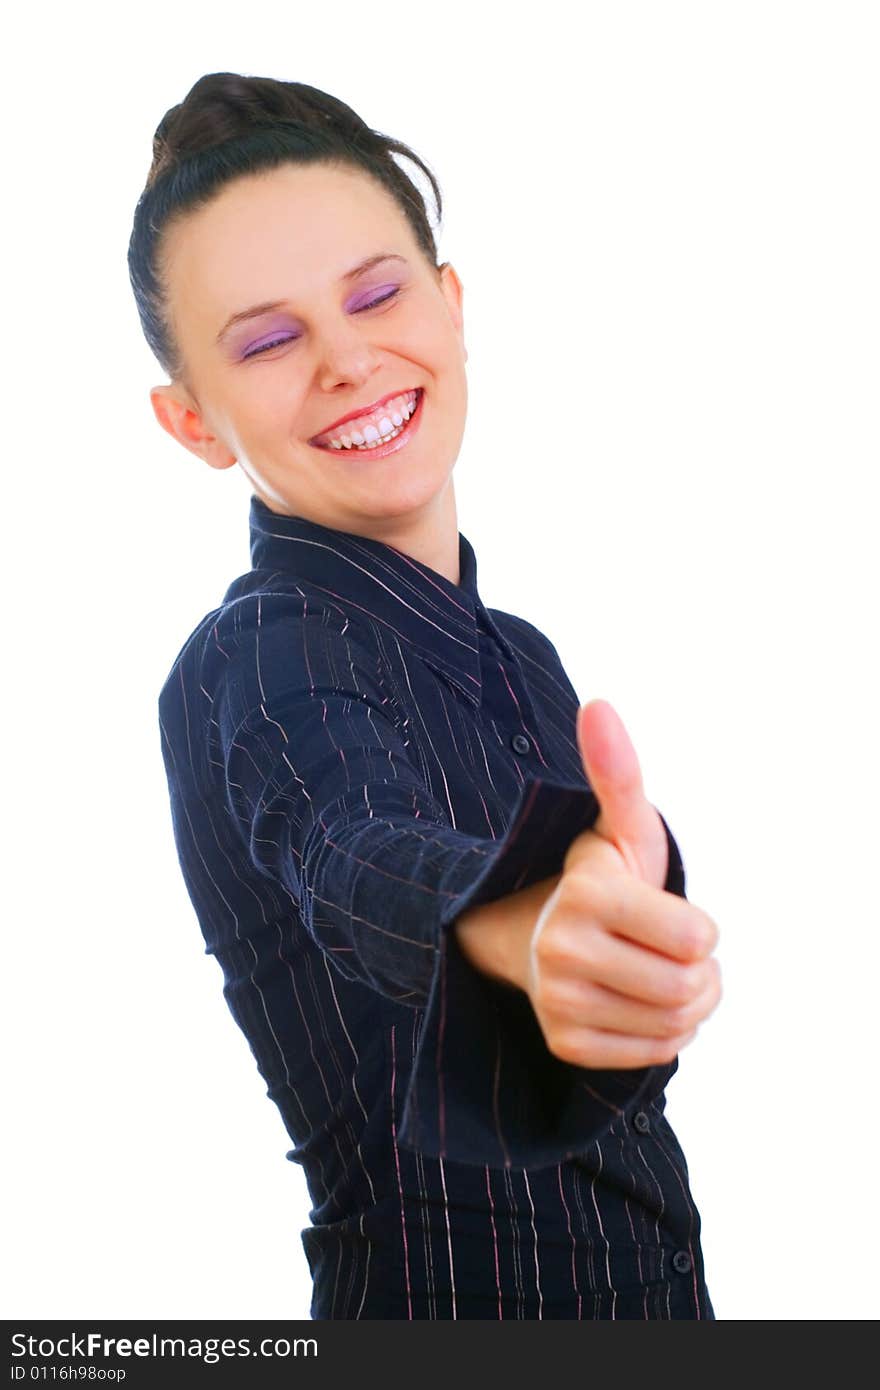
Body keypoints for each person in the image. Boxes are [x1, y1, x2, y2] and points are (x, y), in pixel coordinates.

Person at [128, 72, 722, 1320]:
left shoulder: (522, 652)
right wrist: (511, 923)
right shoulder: (254, 656)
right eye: (269, 339)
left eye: (377, 294)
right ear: (194, 422)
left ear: (451, 310)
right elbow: (347, 842)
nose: (347, 358)